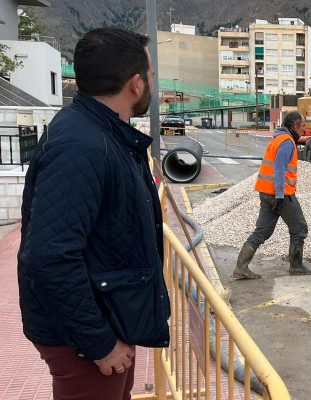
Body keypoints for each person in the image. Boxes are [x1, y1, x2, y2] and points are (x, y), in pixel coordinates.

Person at [17, 28, 170, 400]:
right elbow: (50, 258)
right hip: (85, 340)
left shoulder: (100, 133)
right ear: (135, 84)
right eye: (151, 76)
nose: (154, 84)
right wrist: (99, 342)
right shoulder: (81, 145)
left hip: (108, 320)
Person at [233, 111, 311, 279]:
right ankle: (296, 266)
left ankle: (241, 267)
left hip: (266, 192)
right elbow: (279, 171)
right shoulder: (286, 142)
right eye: (303, 126)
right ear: (295, 126)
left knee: (262, 231)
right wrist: (279, 196)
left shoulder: (277, 139)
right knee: (299, 228)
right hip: (281, 194)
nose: (304, 130)